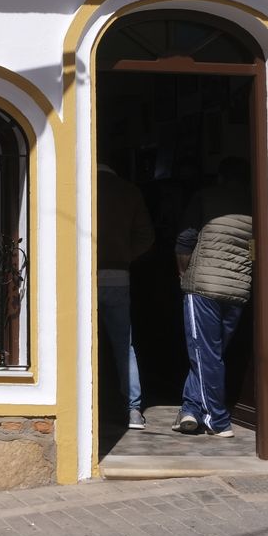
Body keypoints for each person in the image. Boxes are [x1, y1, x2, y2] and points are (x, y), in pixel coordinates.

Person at [174, 157, 255, 438]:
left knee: (204, 353)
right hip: (237, 289)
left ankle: (216, 420)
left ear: (220, 177)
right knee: (211, 353)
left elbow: (185, 240)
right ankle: (191, 409)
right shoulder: (255, 200)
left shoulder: (205, 198)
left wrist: (183, 273)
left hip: (204, 288)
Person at [97, 158, 153, 430]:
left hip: (82, 275)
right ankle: (133, 410)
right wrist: (124, 256)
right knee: (123, 345)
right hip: (119, 276)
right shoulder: (129, 190)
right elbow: (146, 236)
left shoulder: (83, 185)